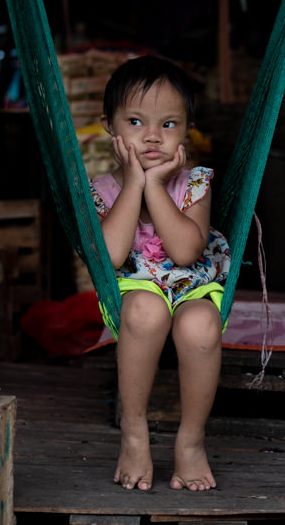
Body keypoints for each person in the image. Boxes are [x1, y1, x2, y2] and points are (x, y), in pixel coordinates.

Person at [90, 55, 231, 492]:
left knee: (203, 325)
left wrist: (157, 186)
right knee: (147, 313)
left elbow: (187, 250)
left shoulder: (194, 182)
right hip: (132, 286)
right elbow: (111, 256)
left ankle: (191, 441)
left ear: (187, 130)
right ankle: (134, 434)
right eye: (135, 121)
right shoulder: (101, 189)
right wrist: (135, 183)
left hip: (193, 284)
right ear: (109, 127)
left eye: (169, 124)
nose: (152, 136)